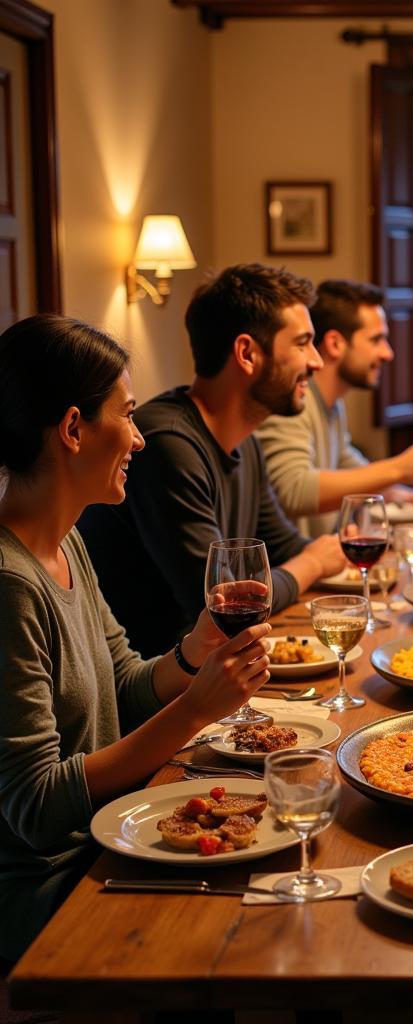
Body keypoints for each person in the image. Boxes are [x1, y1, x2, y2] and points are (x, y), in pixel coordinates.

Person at [0, 315, 273, 966]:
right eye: (126, 415)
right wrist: (198, 710)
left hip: (107, 840)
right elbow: (35, 807)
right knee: (256, 928)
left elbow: (123, 681)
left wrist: (190, 656)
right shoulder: (9, 586)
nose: (140, 439)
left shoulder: (66, 542)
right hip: (50, 891)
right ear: (72, 430)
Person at [78, 263, 347, 657]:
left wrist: (329, 560)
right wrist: (313, 563)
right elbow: (218, 603)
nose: (317, 362)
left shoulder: (245, 440)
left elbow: (283, 544)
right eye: (303, 343)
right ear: (246, 353)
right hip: (162, 690)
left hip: (215, 673)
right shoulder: (167, 444)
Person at [257, 279, 413, 536]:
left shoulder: (332, 403)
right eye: (376, 340)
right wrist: (399, 469)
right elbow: (294, 490)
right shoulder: (294, 401)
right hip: (295, 568)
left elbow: (344, 462)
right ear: (335, 343)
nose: (388, 353)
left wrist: (392, 491)